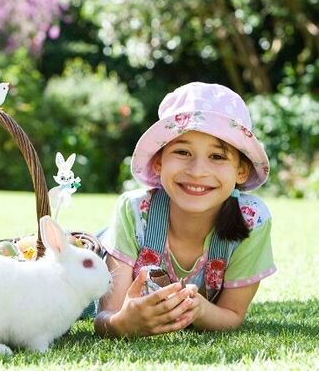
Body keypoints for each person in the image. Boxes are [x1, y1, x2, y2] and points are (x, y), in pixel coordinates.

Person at [95, 82, 275, 337]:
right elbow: (106, 315)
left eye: (217, 156)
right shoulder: (134, 211)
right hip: (89, 262)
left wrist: (199, 310)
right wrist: (122, 323)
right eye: (182, 151)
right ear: (159, 162)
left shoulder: (252, 220)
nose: (198, 171)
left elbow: (233, 315)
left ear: (241, 170)